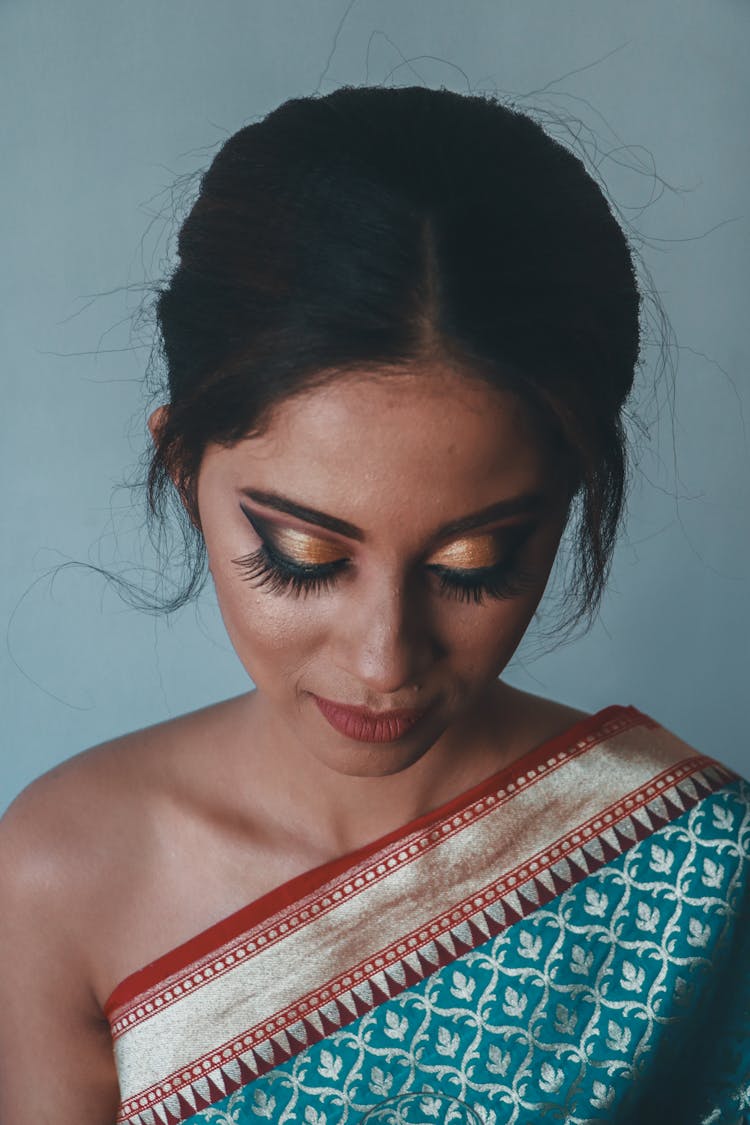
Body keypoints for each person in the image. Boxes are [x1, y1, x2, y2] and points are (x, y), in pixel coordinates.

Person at [0, 85, 747, 1125]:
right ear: (182, 468)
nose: (385, 657)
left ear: (565, 503)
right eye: (304, 557)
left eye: (475, 562)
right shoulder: (61, 874)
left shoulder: (700, 871)